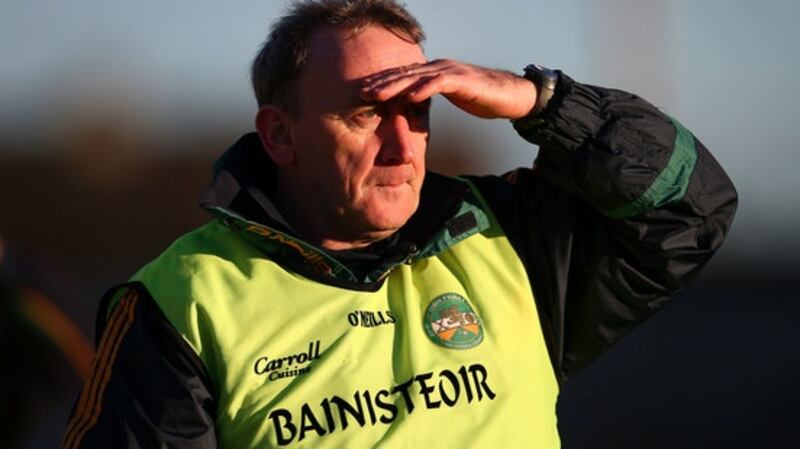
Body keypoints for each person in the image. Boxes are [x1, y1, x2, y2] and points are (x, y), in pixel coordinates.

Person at [61, 1, 737, 448]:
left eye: (418, 110)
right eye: (366, 113)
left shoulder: (507, 235)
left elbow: (693, 208)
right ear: (280, 134)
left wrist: (545, 101)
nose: (403, 143)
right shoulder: (179, 302)